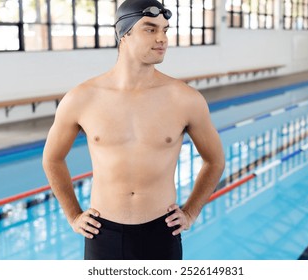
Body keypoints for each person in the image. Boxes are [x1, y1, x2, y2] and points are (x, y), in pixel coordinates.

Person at [42, 0, 225, 260]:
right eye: (150, 29)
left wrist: (191, 212)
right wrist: (73, 214)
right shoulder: (82, 98)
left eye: (165, 29)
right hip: (102, 233)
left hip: (162, 232)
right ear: (123, 34)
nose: (162, 38)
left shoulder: (185, 99)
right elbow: (52, 158)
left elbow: (215, 160)